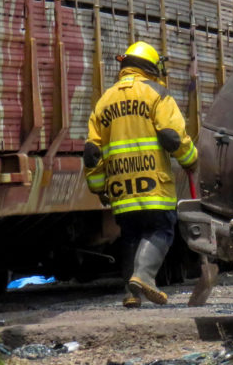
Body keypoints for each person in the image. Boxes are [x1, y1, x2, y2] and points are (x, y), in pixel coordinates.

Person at [84, 41, 198, 308]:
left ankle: (132, 292)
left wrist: (98, 187)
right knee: (161, 228)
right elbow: (172, 136)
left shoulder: (104, 101)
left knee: (131, 233)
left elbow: (92, 152)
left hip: (121, 187)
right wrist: (191, 160)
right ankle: (144, 277)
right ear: (151, 67)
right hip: (153, 183)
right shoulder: (157, 94)